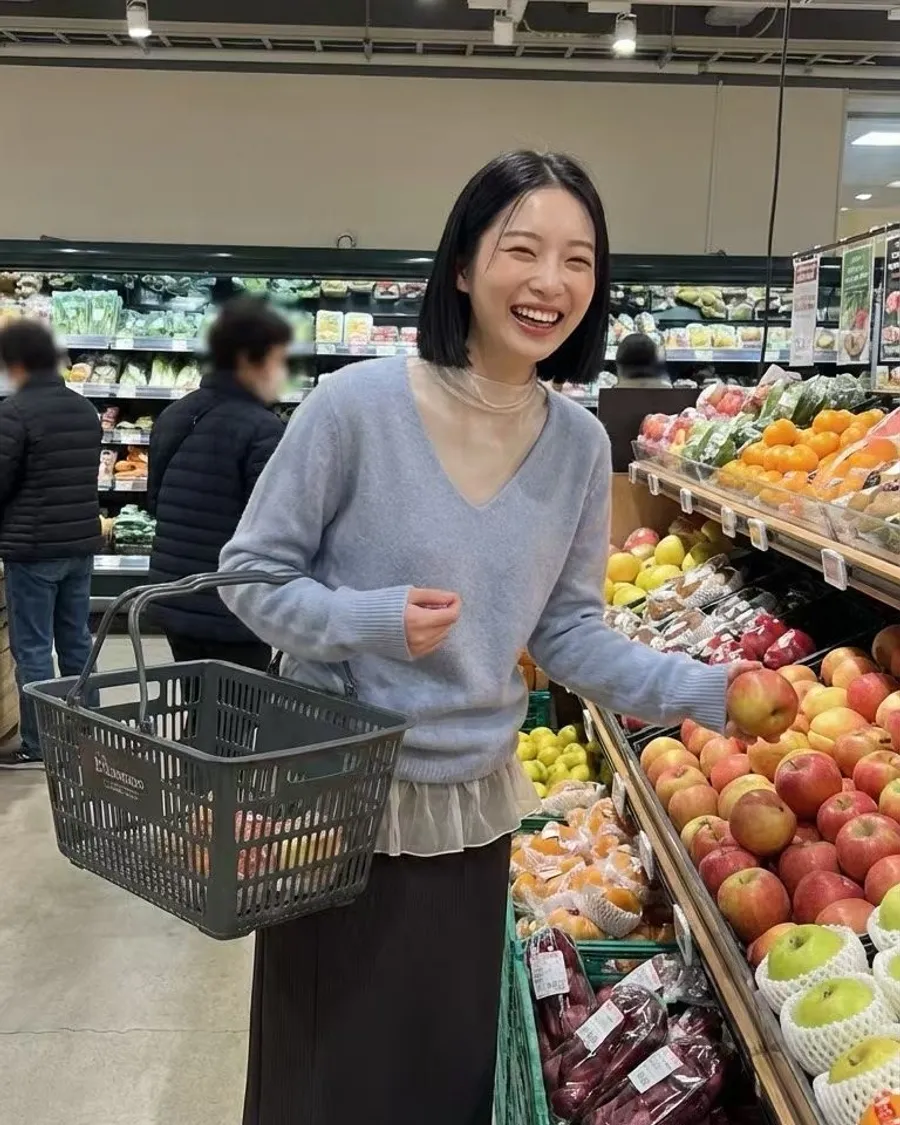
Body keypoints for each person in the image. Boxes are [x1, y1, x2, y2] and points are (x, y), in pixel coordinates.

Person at [218, 151, 748, 1125]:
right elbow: (251, 578)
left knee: (439, 1075)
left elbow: (570, 635)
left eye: (578, 260)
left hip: (470, 819)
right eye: (523, 249)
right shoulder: (354, 409)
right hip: (335, 807)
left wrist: (712, 694)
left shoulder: (578, 447)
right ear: (463, 264)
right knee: (327, 1076)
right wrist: (370, 621)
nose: (551, 281)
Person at [146, 297, 289, 671]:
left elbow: (154, 501)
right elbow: (273, 526)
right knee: (239, 702)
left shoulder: (173, 414)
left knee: (196, 696)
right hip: (232, 604)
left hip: (174, 594)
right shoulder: (263, 429)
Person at [0, 320, 103, 768]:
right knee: (77, 641)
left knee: (34, 649)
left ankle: (41, 744)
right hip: (78, 545)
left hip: (33, 549)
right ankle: (90, 731)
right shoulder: (84, 409)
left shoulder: (14, 412)